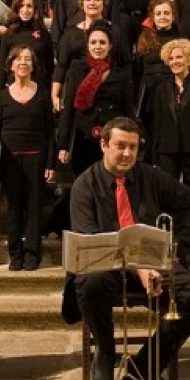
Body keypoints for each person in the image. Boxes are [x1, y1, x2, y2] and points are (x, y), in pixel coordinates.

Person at [70, 117, 190, 380]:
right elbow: (90, 243)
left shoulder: (150, 175)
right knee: (91, 283)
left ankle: (144, 366)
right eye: (120, 146)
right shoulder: (84, 185)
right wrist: (137, 267)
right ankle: (105, 349)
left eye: (133, 148)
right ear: (104, 145)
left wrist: (175, 247)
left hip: (153, 260)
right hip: (106, 265)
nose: (127, 154)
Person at [52, 22, 134, 235]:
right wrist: (62, 144)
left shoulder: (122, 74)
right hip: (82, 138)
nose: (98, 46)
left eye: (102, 42)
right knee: (83, 185)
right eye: (94, 42)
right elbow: (68, 109)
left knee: (110, 185)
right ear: (87, 45)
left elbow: (128, 110)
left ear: (110, 46)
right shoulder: (76, 69)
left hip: (112, 141)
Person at [150, 38, 190, 270]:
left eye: (180, 57)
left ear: (189, 59)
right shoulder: (161, 89)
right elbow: (156, 125)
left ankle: (189, 256)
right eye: (172, 58)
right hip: (167, 152)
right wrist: (155, 158)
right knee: (165, 204)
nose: (176, 61)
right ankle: (166, 256)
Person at [0, 46, 54, 271]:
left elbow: (50, 132)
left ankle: (33, 253)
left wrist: (51, 162)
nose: (23, 62)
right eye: (19, 59)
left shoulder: (43, 93)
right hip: (9, 160)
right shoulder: (2, 95)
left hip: (36, 157)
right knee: (13, 207)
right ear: (11, 64)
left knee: (34, 208)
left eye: (28, 59)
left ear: (33, 66)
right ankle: (15, 254)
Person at [52, 0, 128, 113]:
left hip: (109, 93)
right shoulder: (70, 33)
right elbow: (61, 66)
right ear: (82, 4)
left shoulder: (116, 31)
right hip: (75, 91)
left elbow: (125, 64)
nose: (92, 3)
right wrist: (55, 95)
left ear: (104, 4)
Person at [133, 0, 181, 149]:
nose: (163, 17)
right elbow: (137, 70)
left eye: (166, 13)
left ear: (173, 16)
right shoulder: (144, 38)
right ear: (152, 17)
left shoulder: (180, 39)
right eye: (158, 13)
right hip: (148, 94)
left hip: (171, 92)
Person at [0, 0, 55, 90]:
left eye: (29, 6)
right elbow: (1, 71)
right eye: (21, 6)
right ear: (16, 8)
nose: (25, 10)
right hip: (13, 91)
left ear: (35, 9)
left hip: (38, 91)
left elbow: (50, 69)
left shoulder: (44, 35)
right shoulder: (9, 35)